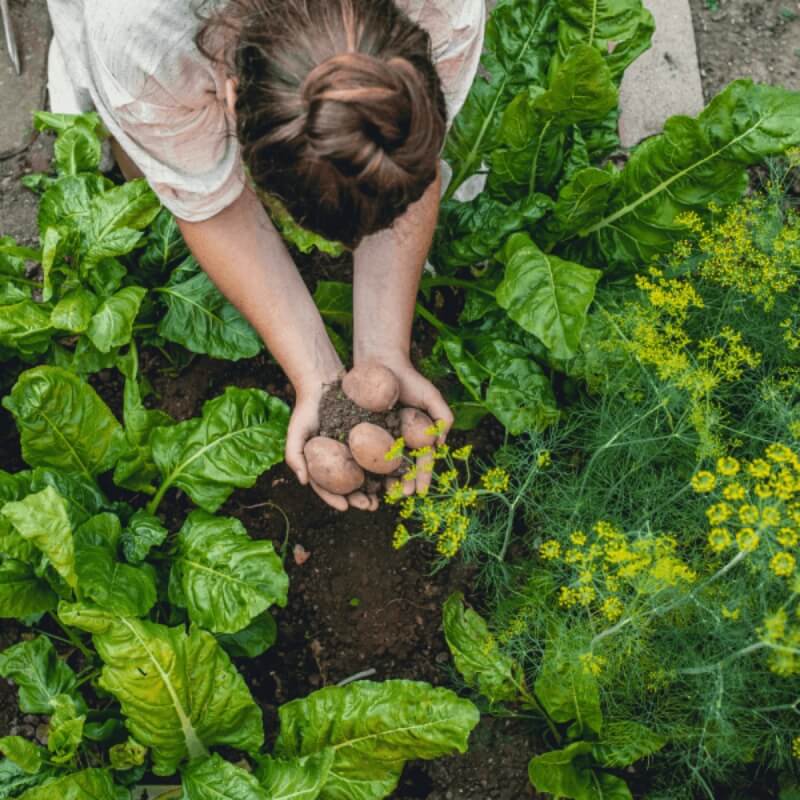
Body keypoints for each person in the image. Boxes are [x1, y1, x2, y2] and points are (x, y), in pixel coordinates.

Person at [45, 0, 485, 510]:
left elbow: (398, 158)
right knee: (144, 155)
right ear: (232, 99)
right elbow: (210, 204)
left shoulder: (444, 11)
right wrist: (314, 372)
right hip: (144, 37)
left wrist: (382, 353)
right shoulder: (140, 39)